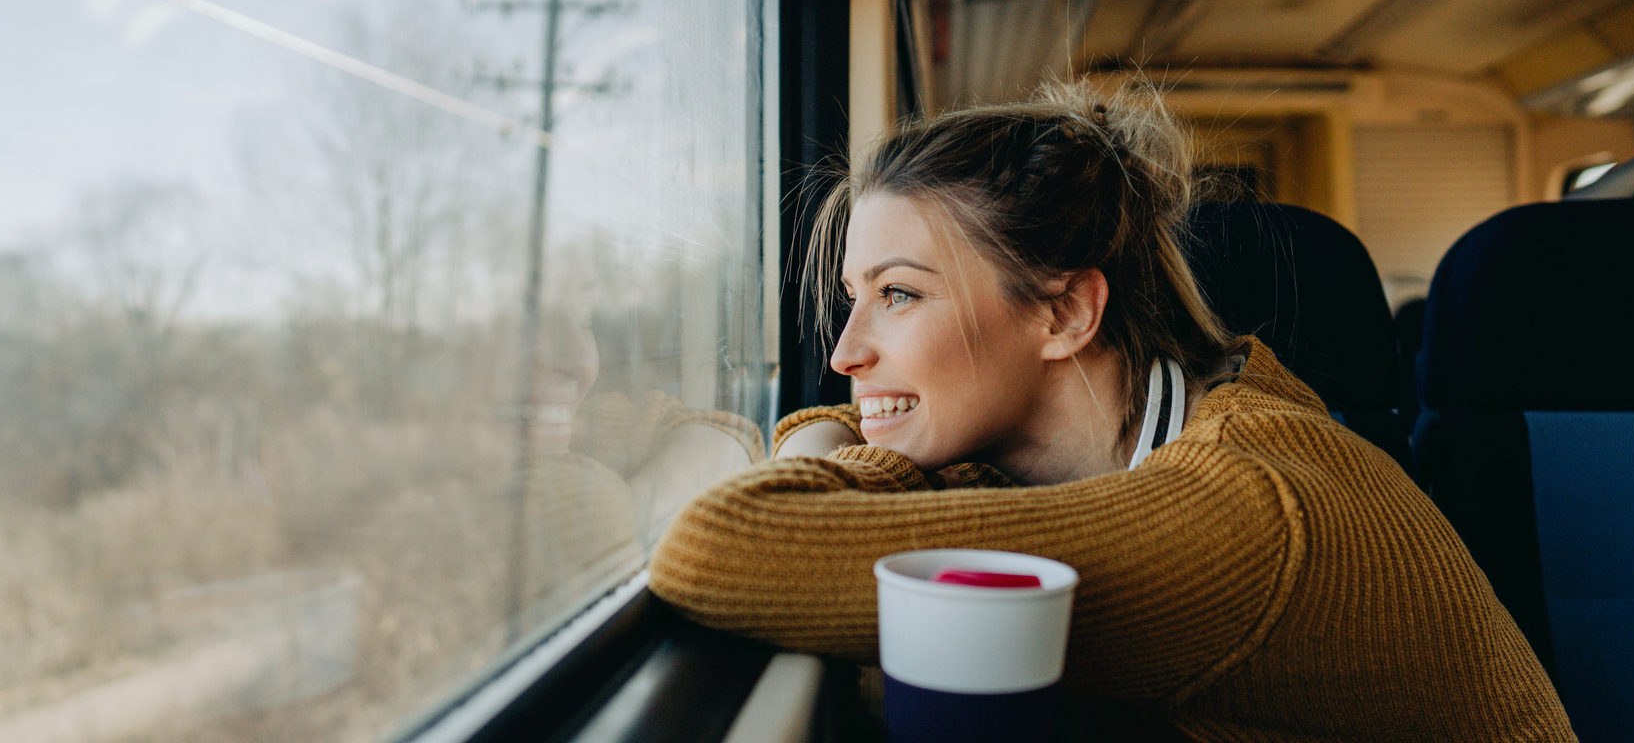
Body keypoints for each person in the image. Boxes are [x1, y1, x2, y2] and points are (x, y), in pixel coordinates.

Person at [649, 83, 1575, 741]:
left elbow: (720, 545)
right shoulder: (1089, 449)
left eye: (897, 295)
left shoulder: (1245, 510)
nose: (845, 354)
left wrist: (828, 437)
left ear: (1063, 313)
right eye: (853, 296)